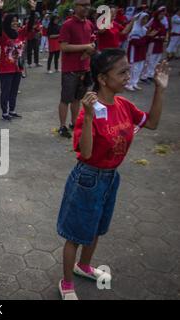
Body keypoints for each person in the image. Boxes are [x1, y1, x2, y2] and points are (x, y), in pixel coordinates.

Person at [57, 48, 170, 300]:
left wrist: (160, 90)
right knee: (75, 235)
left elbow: (151, 123)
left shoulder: (123, 105)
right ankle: (66, 283)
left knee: (96, 228)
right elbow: (85, 153)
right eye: (122, 72)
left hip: (111, 178)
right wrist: (86, 119)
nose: (128, 76)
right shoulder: (90, 109)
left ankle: (83, 266)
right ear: (102, 79)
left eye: (128, 70)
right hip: (87, 178)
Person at [57, 0, 96, 138]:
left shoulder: (89, 24)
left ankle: (74, 123)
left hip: (84, 68)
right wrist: (86, 47)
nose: (86, 8)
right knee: (65, 99)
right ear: (75, 7)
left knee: (77, 99)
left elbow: (92, 42)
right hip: (70, 69)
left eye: (88, 5)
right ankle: (62, 126)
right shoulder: (68, 25)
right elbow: (64, 46)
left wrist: (90, 50)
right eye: (83, 5)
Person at [0, 0, 36, 121]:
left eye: (16, 21)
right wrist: (0, 9)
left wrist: (33, 10)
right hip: (5, 69)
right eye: (12, 21)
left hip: (18, 68)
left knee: (14, 91)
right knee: (5, 92)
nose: (15, 23)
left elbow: (30, 25)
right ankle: (4, 112)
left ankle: (12, 110)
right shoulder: (3, 36)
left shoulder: (21, 34)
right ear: (8, 23)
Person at [125, 12, 156, 91]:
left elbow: (145, 41)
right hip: (134, 52)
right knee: (134, 68)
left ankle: (134, 82)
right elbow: (136, 43)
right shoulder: (135, 30)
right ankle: (129, 84)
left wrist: (150, 36)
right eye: (143, 19)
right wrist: (148, 36)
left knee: (140, 67)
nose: (145, 21)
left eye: (146, 19)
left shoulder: (144, 29)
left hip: (141, 52)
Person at [141, 7, 167, 83]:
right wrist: (155, 36)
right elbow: (148, 33)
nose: (162, 16)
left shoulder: (162, 24)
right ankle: (144, 76)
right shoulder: (152, 23)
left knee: (156, 60)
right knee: (149, 60)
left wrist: (162, 37)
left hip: (159, 44)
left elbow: (164, 33)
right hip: (153, 44)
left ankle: (150, 74)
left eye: (163, 14)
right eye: (161, 14)